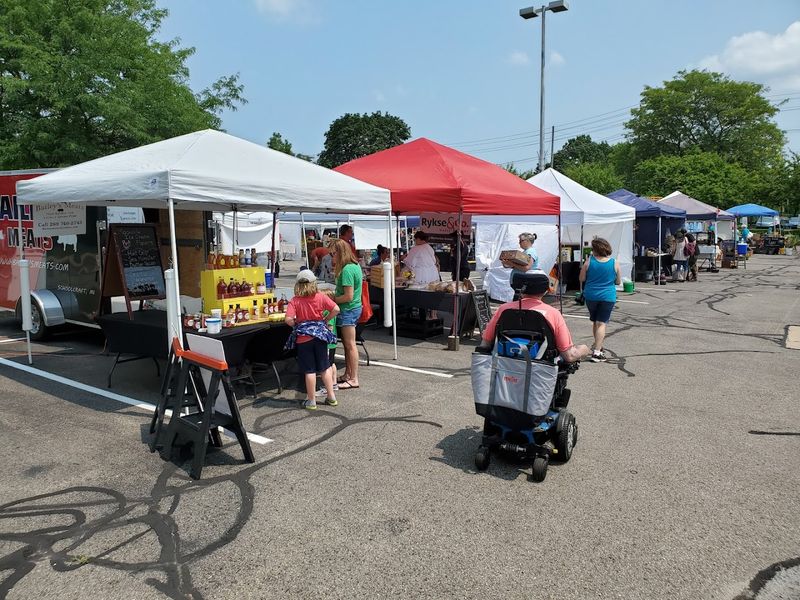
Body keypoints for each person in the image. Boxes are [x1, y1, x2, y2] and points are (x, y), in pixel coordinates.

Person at [478, 272, 589, 363]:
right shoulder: (552, 313)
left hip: (506, 370)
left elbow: (485, 343)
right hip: (540, 373)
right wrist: (584, 350)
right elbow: (569, 356)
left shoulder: (503, 309)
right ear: (545, 291)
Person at [284, 269, 340, 410]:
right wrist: (325, 319)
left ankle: (311, 401)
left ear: (298, 285)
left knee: (309, 370)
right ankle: (331, 397)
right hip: (320, 336)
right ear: (314, 283)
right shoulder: (320, 297)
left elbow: (288, 320)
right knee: (324, 367)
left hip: (304, 339)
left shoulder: (295, 301)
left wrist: (297, 324)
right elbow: (336, 309)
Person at [579, 237, 621, 363]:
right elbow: (618, 281)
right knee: (601, 323)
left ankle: (598, 346)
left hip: (591, 295)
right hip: (607, 296)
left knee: (595, 321)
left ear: (595, 249)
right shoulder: (614, 262)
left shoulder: (589, 261)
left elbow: (581, 278)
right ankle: (597, 352)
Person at [331, 238, 362, 390]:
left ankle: (354, 378)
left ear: (340, 253)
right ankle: (348, 375)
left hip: (348, 309)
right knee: (348, 344)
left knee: (350, 345)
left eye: (334, 253)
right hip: (353, 308)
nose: (332, 257)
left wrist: (332, 298)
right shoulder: (355, 265)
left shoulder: (347, 270)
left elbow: (348, 296)